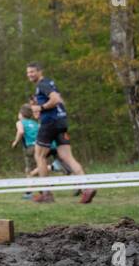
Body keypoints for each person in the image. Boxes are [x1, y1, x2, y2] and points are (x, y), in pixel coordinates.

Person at [25, 62, 95, 204]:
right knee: (66, 157)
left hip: (50, 122)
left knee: (39, 156)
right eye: (28, 72)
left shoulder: (42, 84)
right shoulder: (50, 83)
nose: (30, 75)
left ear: (40, 71)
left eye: (32, 72)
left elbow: (55, 100)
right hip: (61, 122)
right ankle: (87, 188)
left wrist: (41, 108)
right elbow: (60, 100)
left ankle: (46, 193)